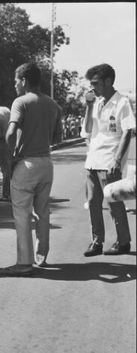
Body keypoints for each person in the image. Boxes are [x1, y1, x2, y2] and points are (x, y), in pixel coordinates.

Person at [0, 62, 62, 277]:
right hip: (46, 163)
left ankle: (23, 263)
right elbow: (58, 137)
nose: (15, 85)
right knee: (42, 213)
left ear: (24, 80)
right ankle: (41, 256)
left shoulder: (21, 102)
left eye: (16, 81)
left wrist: (10, 159)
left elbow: (9, 134)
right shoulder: (54, 105)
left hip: (26, 164)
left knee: (21, 215)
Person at [81, 63, 134, 257]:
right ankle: (97, 241)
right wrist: (88, 106)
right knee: (93, 202)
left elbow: (128, 131)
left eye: (95, 83)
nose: (92, 87)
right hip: (93, 159)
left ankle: (123, 242)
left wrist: (117, 160)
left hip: (110, 160)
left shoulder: (122, 102)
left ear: (108, 81)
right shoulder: (95, 102)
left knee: (114, 202)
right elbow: (86, 129)